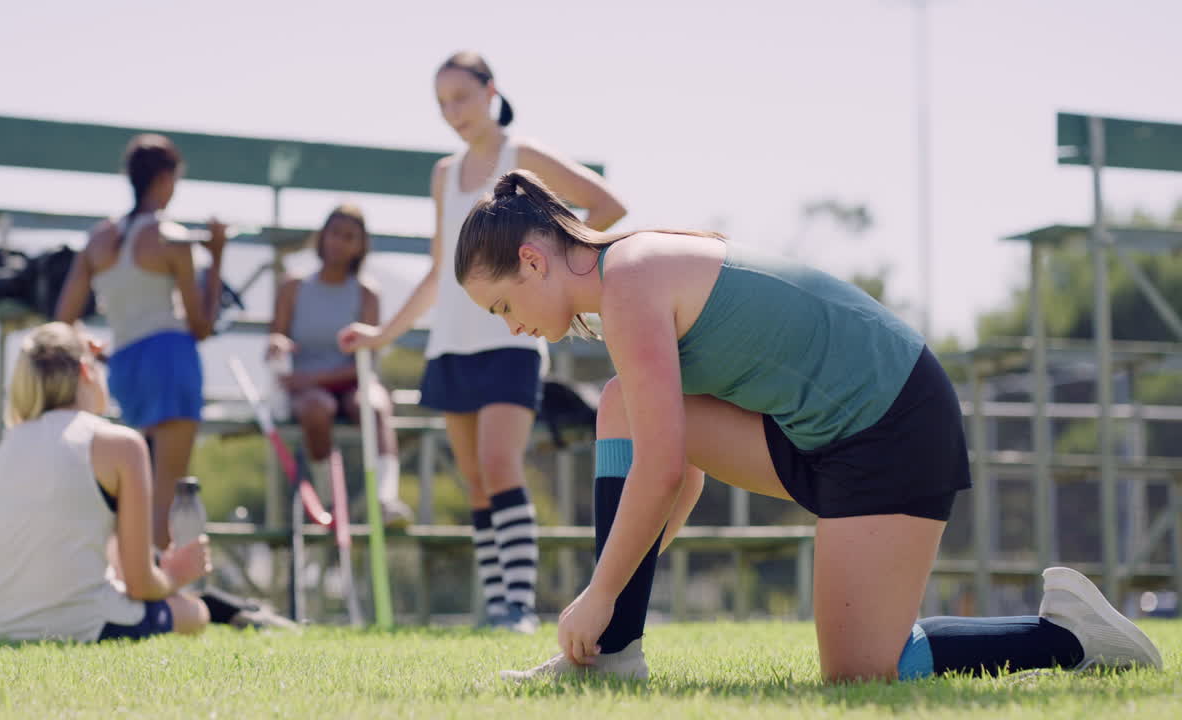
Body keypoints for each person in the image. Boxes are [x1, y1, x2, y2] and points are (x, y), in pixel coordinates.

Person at [453, 169, 1164, 682]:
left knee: (862, 673)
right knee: (619, 406)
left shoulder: (629, 280)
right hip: (817, 436)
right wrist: (615, 588)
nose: (512, 326)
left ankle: (1066, 634)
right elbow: (682, 470)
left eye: (501, 307)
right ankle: (612, 658)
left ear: (532, 259)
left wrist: (600, 591)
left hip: (895, 425)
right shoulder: (622, 286)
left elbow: (665, 471)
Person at [339, 51, 626, 632]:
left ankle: (516, 607)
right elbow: (438, 270)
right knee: (473, 478)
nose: (454, 113)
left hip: (513, 341)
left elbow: (608, 206)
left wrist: (564, 267)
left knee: (501, 465)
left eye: (462, 98)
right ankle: (496, 605)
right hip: (449, 345)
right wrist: (384, 334)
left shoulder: (525, 157)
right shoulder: (444, 174)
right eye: (442, 104)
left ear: (491, 91)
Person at [0, 322, 211, 642]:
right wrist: (178, 573)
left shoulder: (10, 443)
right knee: (195, 613)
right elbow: (141, 585)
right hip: (79, 625)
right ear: (85, 370)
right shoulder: (122, 444)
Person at [56, 134, 228, 550]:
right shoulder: (171, 237)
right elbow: (202, 325)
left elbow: (63, 319)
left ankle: (131, 586)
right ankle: (156, 600)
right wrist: (218, 255)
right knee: (164, 497)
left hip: (126, 366)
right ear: (166, 178)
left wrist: (98, 349)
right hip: (171, 359)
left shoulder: (100, 239)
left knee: (132, 491)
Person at [267, 204, 414, 526]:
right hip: (306, 390)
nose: (339, 242)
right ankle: (328, 498)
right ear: (323, 236)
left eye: (349, 236)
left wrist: (315, 377)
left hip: (351, 382)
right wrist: (277, 345)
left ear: (360, 246)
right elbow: (276, 336)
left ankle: (386, 499)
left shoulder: (367, 294)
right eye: (335, 233)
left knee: (375, 407)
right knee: (317, 409)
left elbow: (367, 360)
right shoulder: (293, 286)